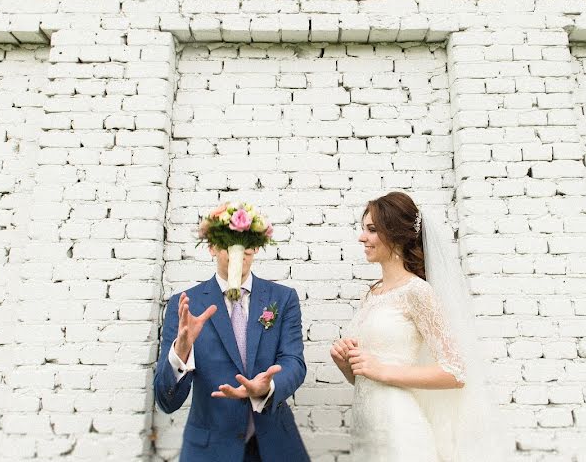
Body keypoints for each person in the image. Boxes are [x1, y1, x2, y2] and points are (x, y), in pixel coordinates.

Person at [331, 191, 506, 461]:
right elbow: (365, 378)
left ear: (396, 234)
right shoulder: (372, 294)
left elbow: (456, 373)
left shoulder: (417, 291)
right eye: (363, 229)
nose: (361, 237)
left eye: (372, 230)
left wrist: (383, 370)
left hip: (399, 431)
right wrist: (346, 363)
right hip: (367, 432)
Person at [155, 244, 311, 462]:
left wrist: (268, 387)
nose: (240, 250)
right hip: (210, 450)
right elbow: (166, 401)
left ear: (256, 247)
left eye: (247, 242)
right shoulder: (185, 304)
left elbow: (294, 361)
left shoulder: (283, 298)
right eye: (230, 242)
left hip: (276, 447)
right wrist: (180, 352)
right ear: (212, 247)